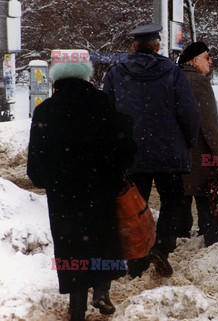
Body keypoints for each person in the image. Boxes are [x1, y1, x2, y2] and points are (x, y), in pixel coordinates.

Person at [27, 50, 136, 321]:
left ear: (56, 80)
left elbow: (35, 167)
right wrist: (111, 173)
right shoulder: (101, 103)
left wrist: (51, 181)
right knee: (102, 241)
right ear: (87, 76)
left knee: (72, 247)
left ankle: (77, 309)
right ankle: (101, 291)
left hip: (64, 197)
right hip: (100, 191)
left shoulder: (46, 111)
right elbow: (124, 148)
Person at [103, 24, 200, 278]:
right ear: (157, 46)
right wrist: (187, 142)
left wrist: (115, 149)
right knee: (172, 201)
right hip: (169, 152)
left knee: (135, 205)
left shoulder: (115, 74)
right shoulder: (172, 72)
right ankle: (162, 246)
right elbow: (188, 112)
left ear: (133, 46)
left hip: (132, 154)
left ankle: (137, 258)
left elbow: (107, 116)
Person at [176, 42, 218, 246]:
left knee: (180, 202)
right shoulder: (199, 81)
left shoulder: (175, 77)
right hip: (199, 152)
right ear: (195, 60)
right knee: (208, 199)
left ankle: (178, 241)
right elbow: (209, 122)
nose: (210, 61)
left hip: (177, 153)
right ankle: (213, 242)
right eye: (207, 57)